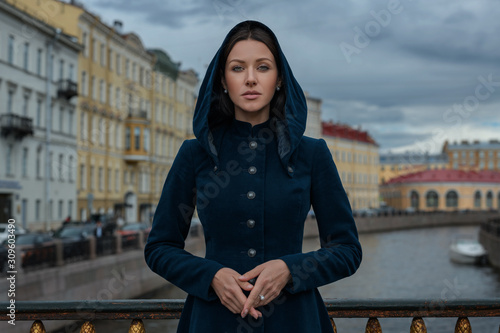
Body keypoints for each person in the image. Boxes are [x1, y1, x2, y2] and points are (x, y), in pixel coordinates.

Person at [144, 20, 362, 332]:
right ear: (222, 80)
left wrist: (290, 269)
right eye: (237, 68)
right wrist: (211, 276)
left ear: (279, 80)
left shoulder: (312, 154)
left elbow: (347, 250)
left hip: (295, 321)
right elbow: (159, 247)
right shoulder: (194, 155)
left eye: (262, 67)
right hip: (213, 322)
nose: (250, 79)